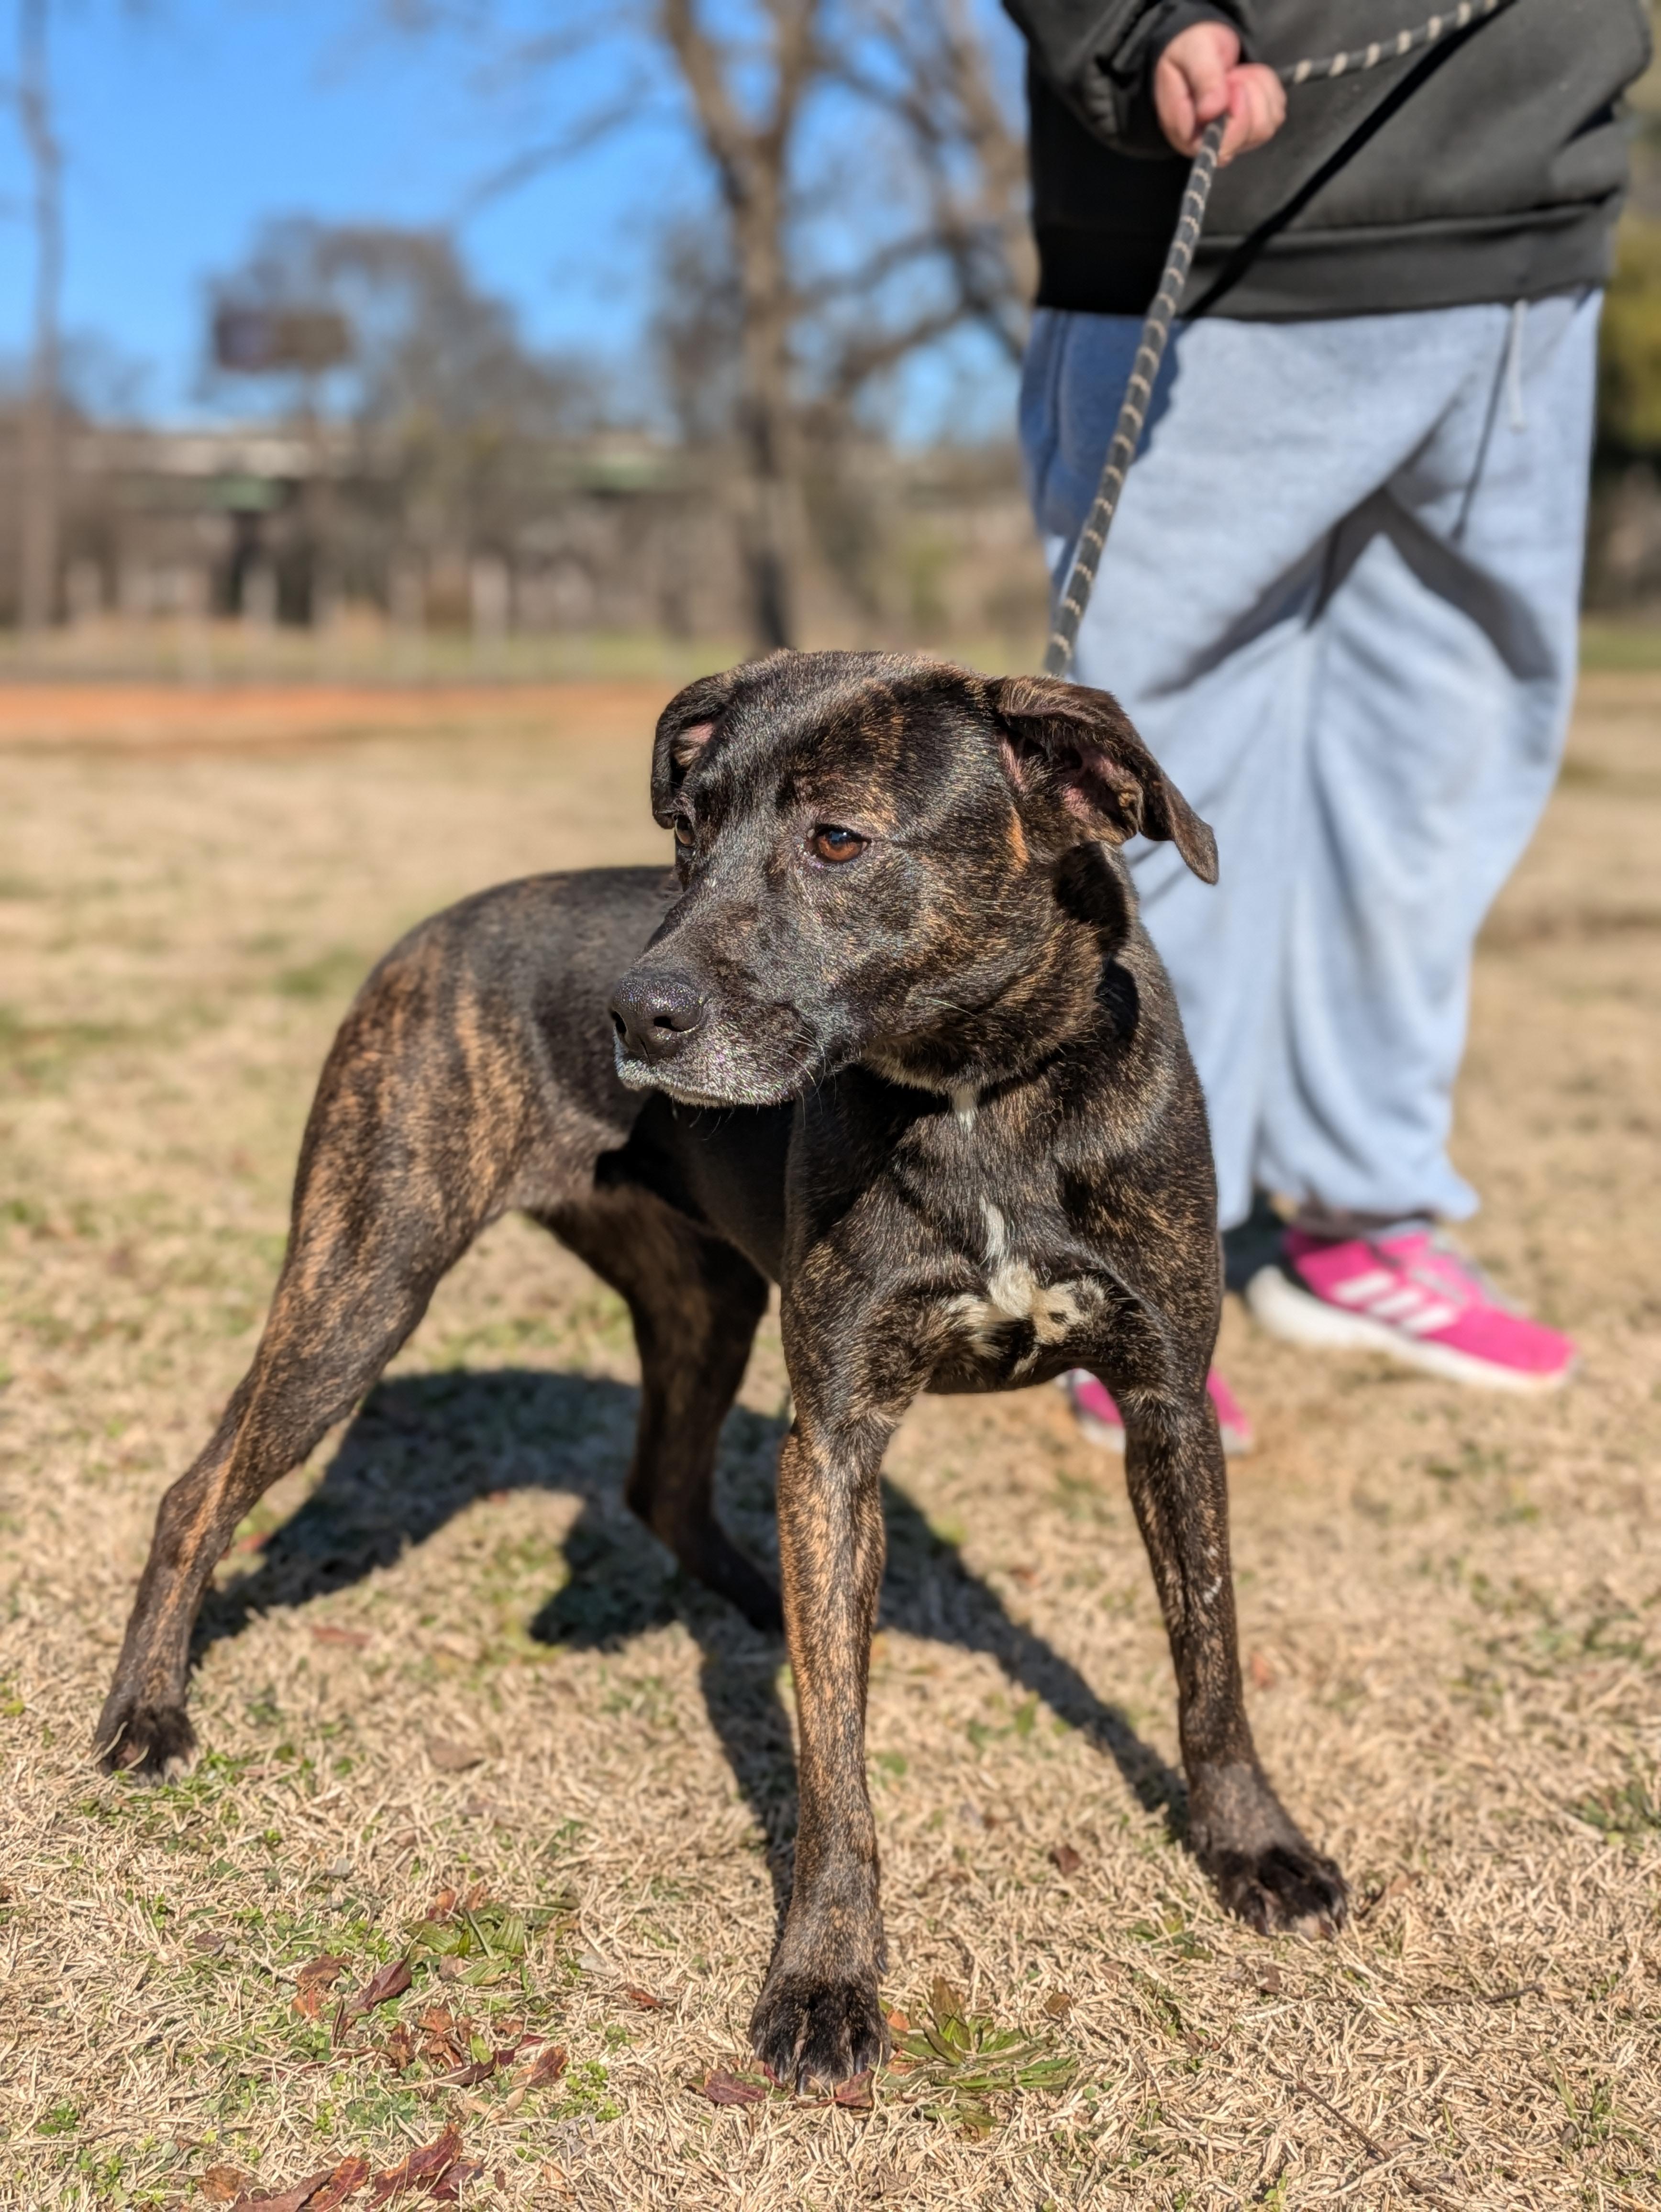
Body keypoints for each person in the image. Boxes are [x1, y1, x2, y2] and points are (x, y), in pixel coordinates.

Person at [1003, 0, 1652, 1452]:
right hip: (1210, 233)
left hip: (1527, 234)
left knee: (1438, 780)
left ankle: (1366, 1214)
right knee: (1143, 800)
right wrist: (1140, 26)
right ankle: (1118, 1254)